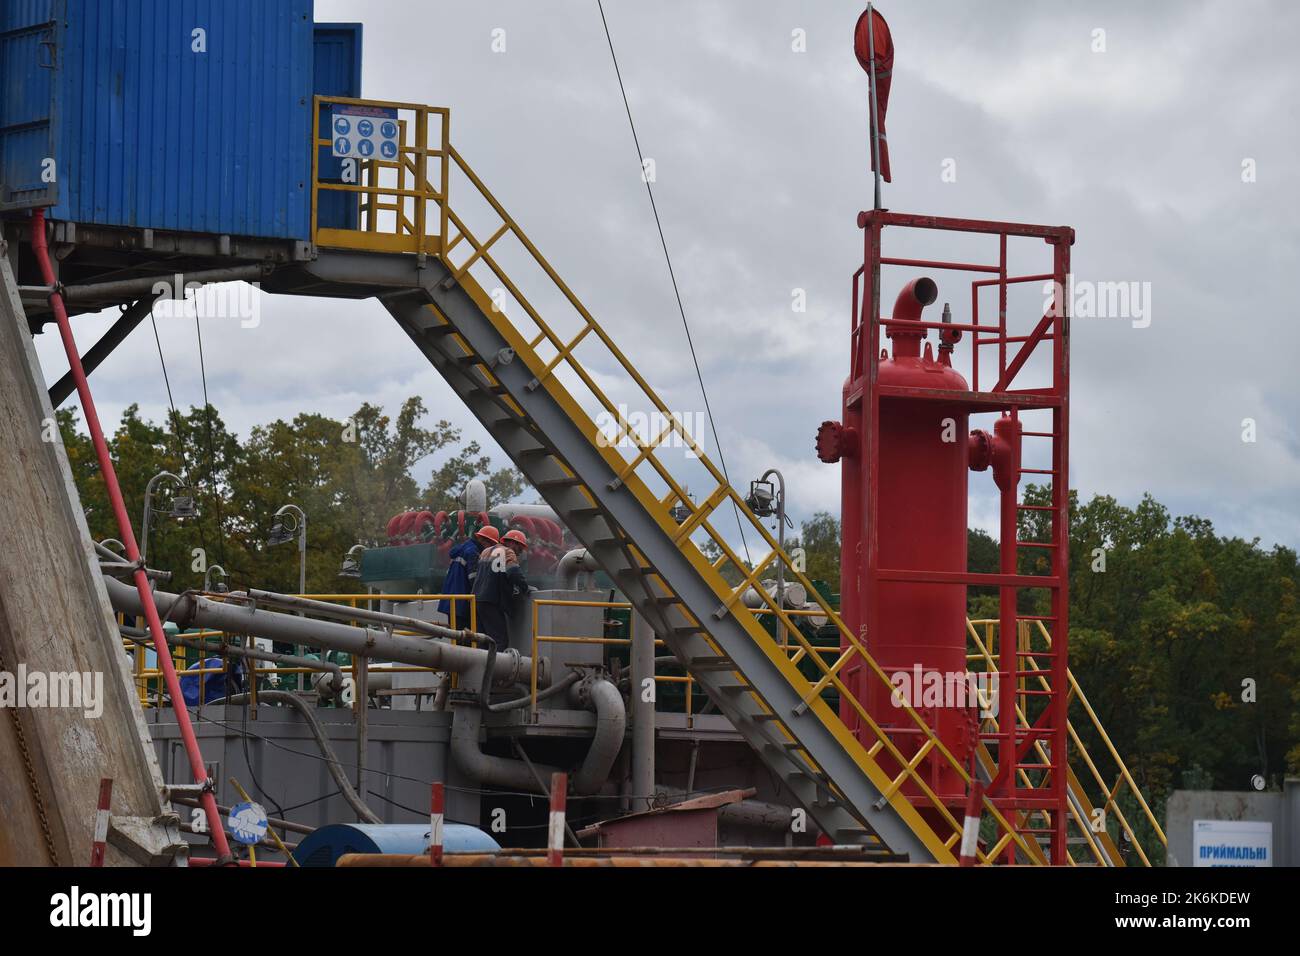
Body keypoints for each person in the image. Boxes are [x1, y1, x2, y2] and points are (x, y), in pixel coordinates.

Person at [472, 529, 530, 650]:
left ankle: (481, 667)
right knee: (499, 641)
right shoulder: (508, 552)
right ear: (514, 543)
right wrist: (525, 588)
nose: (519, 553)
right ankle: (495, 668)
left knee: (483, 641)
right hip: (492, 600)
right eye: (520, 548)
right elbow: (514, 573)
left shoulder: (485, 551)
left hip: (476, 600)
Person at [439, 525, 499, 628]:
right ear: (485, 541)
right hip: (462, 603)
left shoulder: (462, 548)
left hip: (451, 601)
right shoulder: (473, 552)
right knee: (465, 640)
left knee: (456, 637)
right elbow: (474, 580)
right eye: (492, 545)